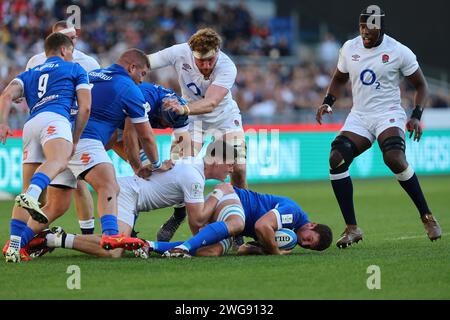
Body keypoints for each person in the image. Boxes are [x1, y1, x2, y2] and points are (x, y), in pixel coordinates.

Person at [15, 48, 166, 259]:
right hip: (84, 139)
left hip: (61, 137)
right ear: (132, 68)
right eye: (142, 74)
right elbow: (146, 136)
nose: (142, 81)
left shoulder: (91, 74)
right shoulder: (128, 88)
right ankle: (112, 236)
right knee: (109, 184)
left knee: (56, 205)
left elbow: (112, 137)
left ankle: (19, 244)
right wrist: (157, 164)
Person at [315, 5, 442, 248]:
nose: (365, 32)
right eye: (362, 26)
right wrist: (328, 102)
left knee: (394, 158)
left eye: (370, 28)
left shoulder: (398, 51)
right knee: (336, 158)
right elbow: (340, 78)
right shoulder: (349, 48)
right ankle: (352, 228)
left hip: (389, 114)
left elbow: (422, 85)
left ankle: (427, 216)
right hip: (360, 116)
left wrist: (416, 115)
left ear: (381, 28)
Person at [31, 139, 238, 259]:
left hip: (130, 195)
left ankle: (54, 238)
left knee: (115, 247)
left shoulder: (192, 165)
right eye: (229, 163)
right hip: (127, 195)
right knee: (114, 250)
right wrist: (219, 193)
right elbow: (197, 222)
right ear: (216, 160)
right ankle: (53, 238)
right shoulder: (194, 177)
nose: (232, 168)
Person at [147, 28, 248, 241]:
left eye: (211, 60)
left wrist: (183, 109)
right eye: (201, 61)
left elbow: (211, 103)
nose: (206, 66)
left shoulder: (227, 66)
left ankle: (241, 223)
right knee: (179, 166)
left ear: (217, 51)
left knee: (238, 168)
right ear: (191, 52)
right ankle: (179, 213)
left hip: (224, 117)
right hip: (192, 118)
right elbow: (145, 61)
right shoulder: (178, 52)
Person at [0, 33, 91, 262]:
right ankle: (33, 193)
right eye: (70, 50)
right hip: (56, 120)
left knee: (26, 193)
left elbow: (6, 95)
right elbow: (86, 108)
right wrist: (76, 138)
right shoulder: (75, 69)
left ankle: (15, 245)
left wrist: (2, 123)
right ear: (63, 50)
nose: (72, 54)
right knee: (58, 161)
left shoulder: (29, 73)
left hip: (31, 125)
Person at [26, 20, 101, 236]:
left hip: (70, 125)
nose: (72, 43)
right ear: (56, 39)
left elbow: (91, 100)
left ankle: (87, 235)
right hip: (45, 122)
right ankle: (38, 235)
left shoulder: (88, 62)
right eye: (68, 39)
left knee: (77, 181)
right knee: (43, 183)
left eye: (74, 38)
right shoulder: (36, 60)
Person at [137, 186, 333, 258]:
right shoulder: (293, 214)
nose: (303, 243)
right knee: (235, 225)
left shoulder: (286, 236)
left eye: (308, 246)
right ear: (311, 225)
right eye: (309, 238)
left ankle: (150, 246)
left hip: (230, 217)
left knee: (211, 252)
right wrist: (274, 252)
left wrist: (262, 249)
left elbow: (242, 249)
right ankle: (185, 245)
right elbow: (261, 225)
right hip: (232, 199)